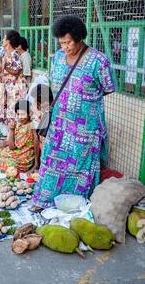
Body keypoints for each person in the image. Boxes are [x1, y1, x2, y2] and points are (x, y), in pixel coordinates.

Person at [30, 15, 116, 212]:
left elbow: (108, 87)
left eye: (67, 42)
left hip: (85, 127)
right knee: (51, 161)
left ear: (79, 38)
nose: (64, 47)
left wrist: (85, 98)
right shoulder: (57, 58)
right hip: (59, 122)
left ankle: (75, 205)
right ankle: (45, 200)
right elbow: (54, 84)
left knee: (81, 167)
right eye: (61, 42)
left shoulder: (98, 61)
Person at [0, 100, 40, 175]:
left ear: (29, 114)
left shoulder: (30, 126)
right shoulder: (19, 124)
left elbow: (12, 147)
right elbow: (7, 142)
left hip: (22, 159)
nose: (20, 117)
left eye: (23, 114)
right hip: (15, 154)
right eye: (18, 114)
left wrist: (36, 164)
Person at [0, 30, 27, 126]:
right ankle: (9, 133)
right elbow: (1, 71)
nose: (3, 40)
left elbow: (17, 71)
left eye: (4, 38)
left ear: (9, 41)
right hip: (7, 86)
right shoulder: (4, 53)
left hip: (15, 87)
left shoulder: (14, 54)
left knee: (14, 110)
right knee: (6, 109)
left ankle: (16, 134)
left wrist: (5, 68)